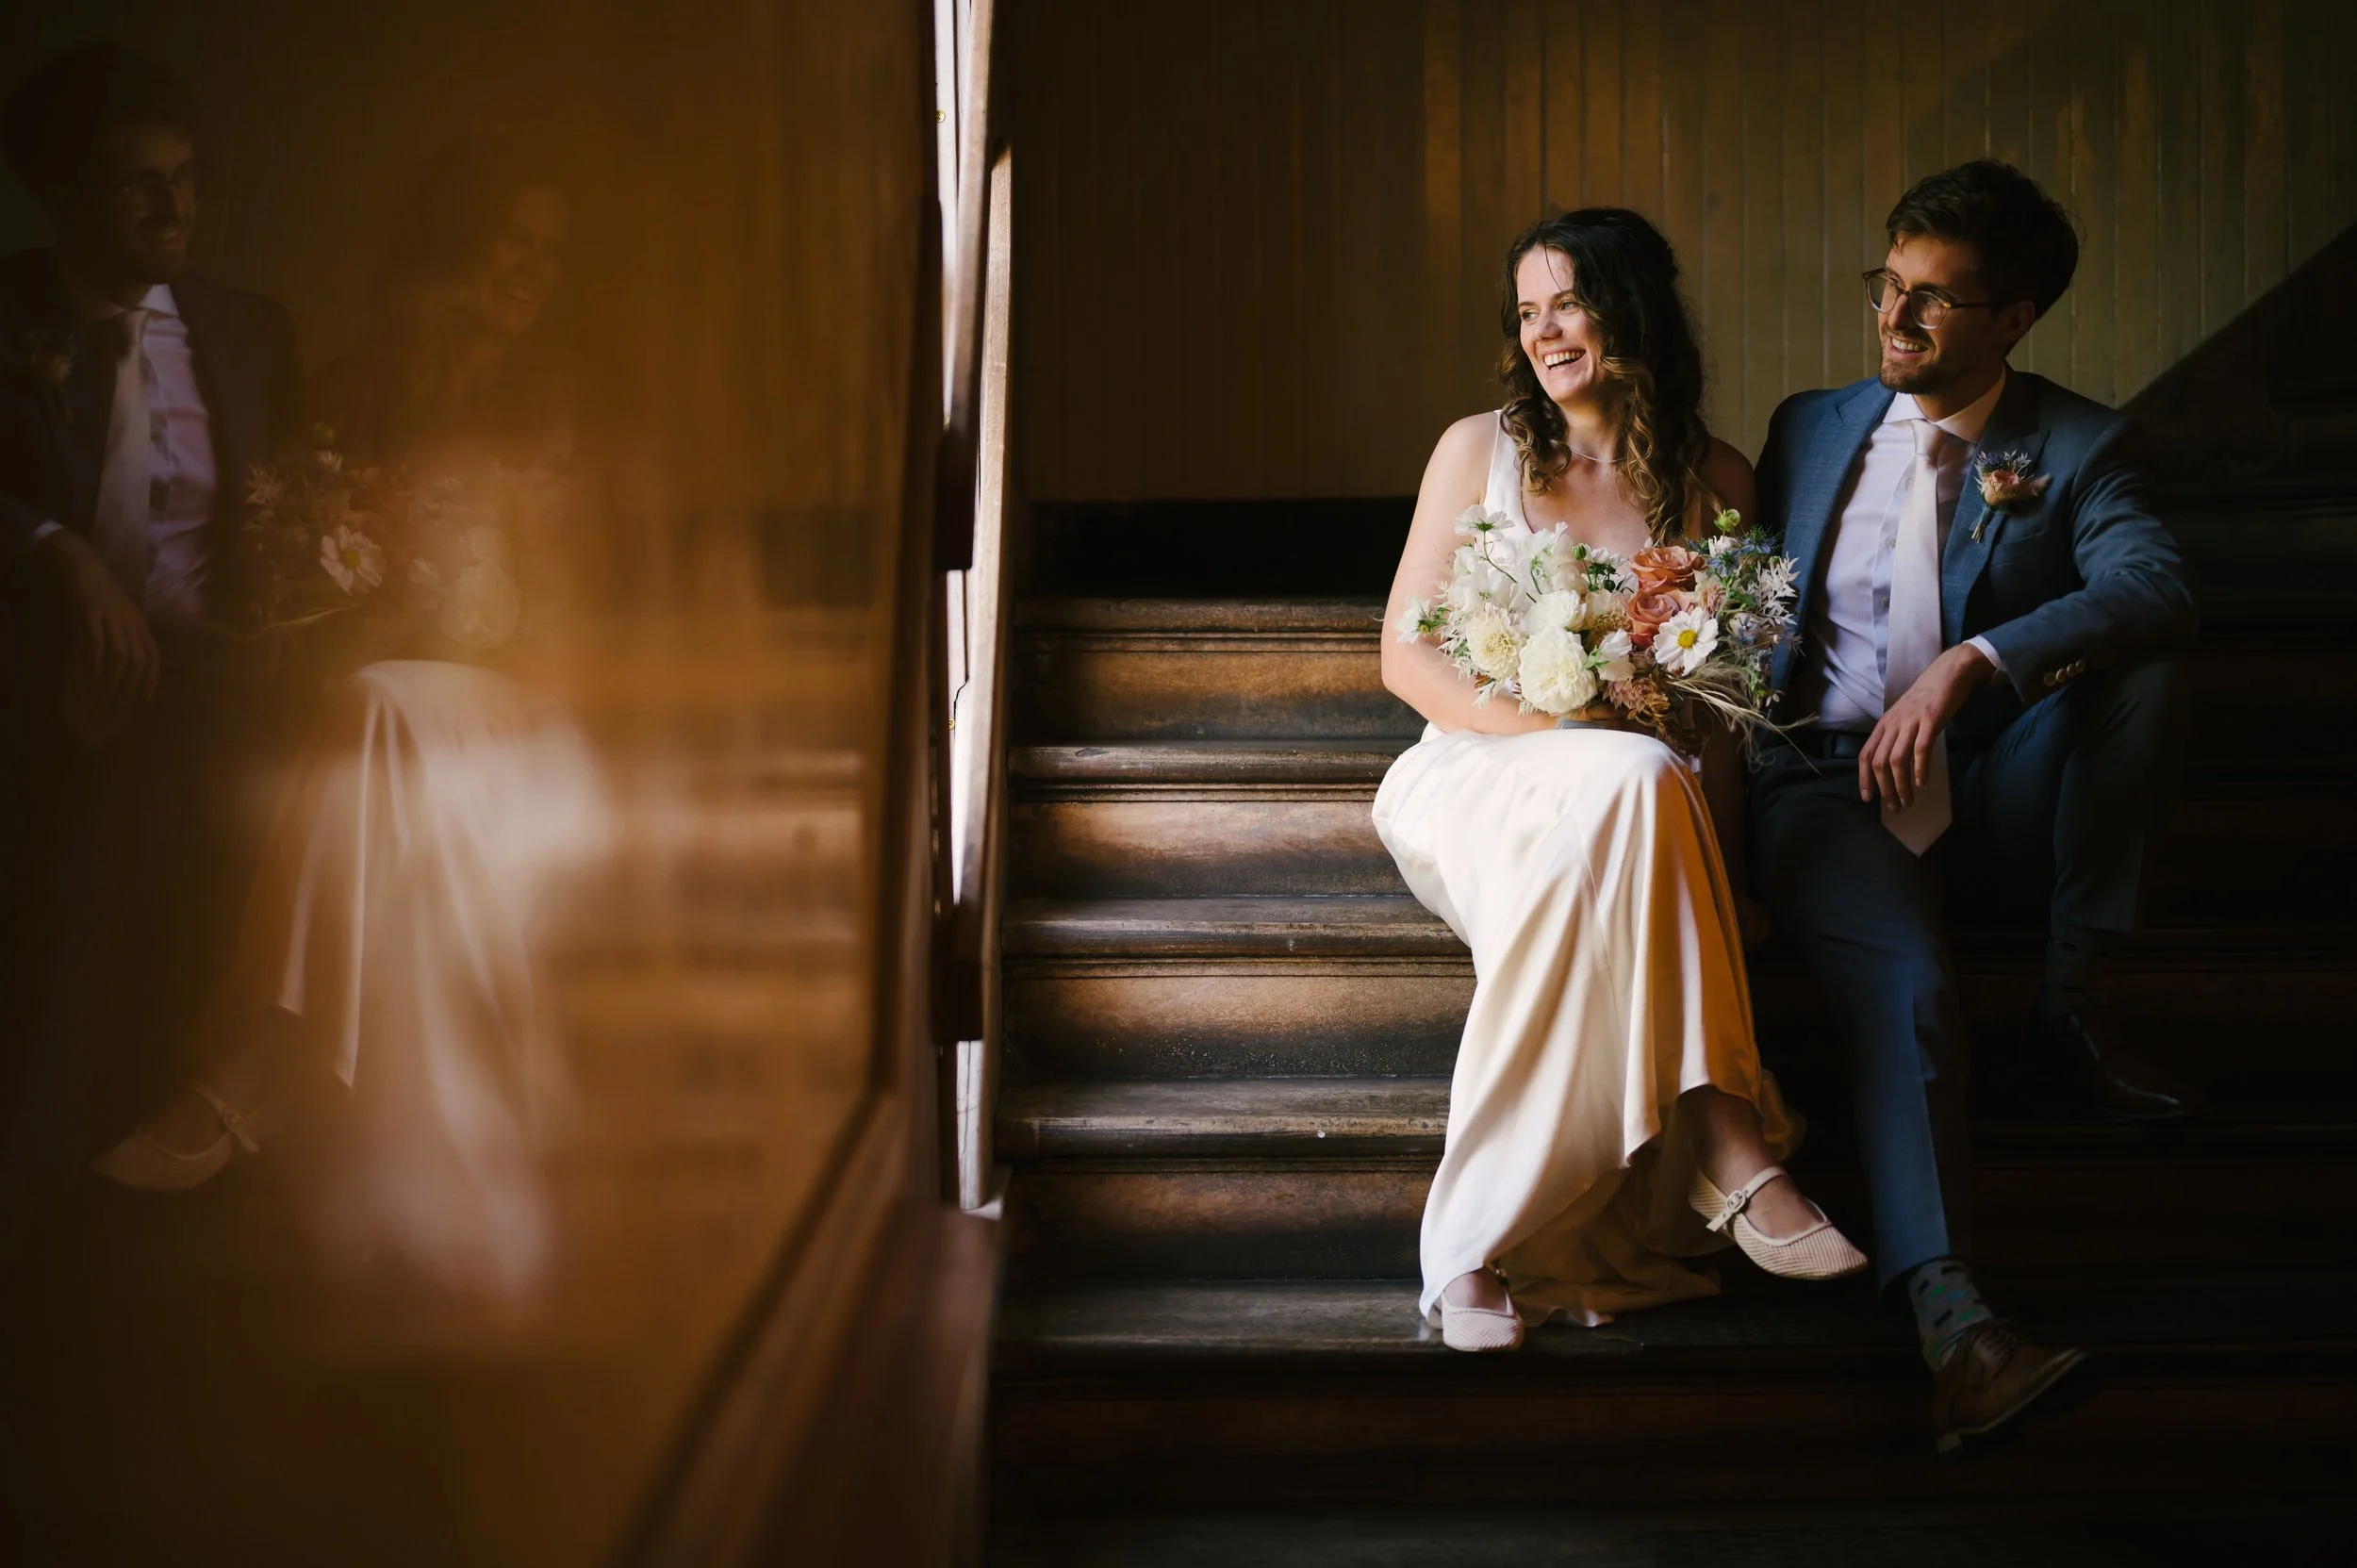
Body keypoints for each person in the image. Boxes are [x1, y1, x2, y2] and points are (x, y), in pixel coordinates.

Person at [90, 140, 604, 1306]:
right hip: (381, 718)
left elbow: (573, 637)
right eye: (505, 242)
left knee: (379, 703)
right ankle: (379, 1205)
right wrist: (339, 591)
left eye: (548, 253)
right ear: (448, 249)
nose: (527, 270)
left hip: (526, 724)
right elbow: (274, 585)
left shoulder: (554, 405)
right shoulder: (344, 389)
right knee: (362, 718)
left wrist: (461, 606)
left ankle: (245, 1088)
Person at [1748, 160, 2197, 1456]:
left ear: (2015, 316)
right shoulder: (1808, 427)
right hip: (1828, 781)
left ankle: (2071, 991)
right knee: (1912, 987)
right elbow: (1750, 612)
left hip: (1998, 774)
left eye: (1933, 303)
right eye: (1888, 288)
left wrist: (1972, 665)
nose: (1895, 324)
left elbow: (2159, 586)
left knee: (2145, 668)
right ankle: (1958, 1326)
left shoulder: (2079, 444)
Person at [1376, 208, 1866, 1353]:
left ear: (1629, 308)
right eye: (1527, 312)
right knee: (1633, 769)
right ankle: (1726, 1144)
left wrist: (1725, 880)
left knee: (1645, 774)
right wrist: (1549, 721)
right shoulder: (1475, 449)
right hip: (1475, 769)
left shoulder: (1714, 479)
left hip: (1644, 797)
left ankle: (1470, 1251)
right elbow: (1406, 653)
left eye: (1568, 304)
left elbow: (1717, 716)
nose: (1545, 333)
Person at [0, 43, 304, 1261]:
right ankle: (34, 1230)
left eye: (186, 177)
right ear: (66, 197)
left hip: (226, 693)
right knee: (70, 922)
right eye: (137, 185)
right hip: (48, 692)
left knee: (234, 928)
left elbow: (289, 512)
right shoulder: (10, 314)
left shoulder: (249, 329)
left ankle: (173, 1237)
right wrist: (56, 546)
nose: (175, 209)